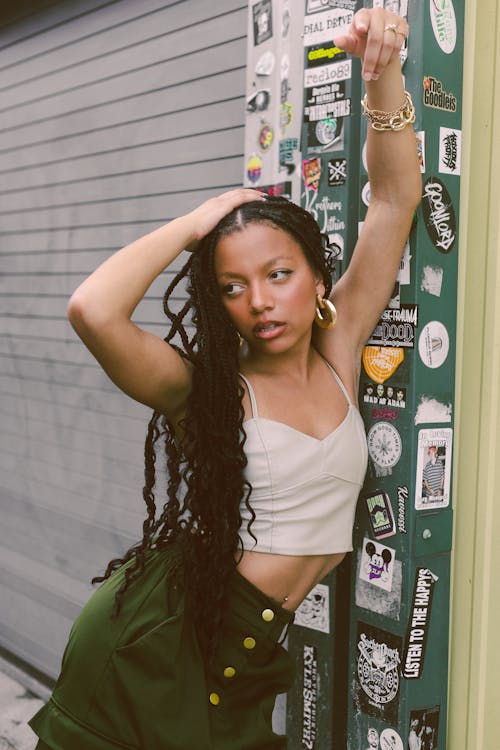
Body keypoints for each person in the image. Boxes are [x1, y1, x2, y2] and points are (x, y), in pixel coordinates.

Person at [29, 8, 420, 750]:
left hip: (246, 652)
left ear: (316, 277)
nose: (261, 301)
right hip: (160, 644)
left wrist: (383, 71)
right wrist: (196, 222)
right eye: (233, 287)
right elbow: (94, 311)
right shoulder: (207, 391)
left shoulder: (340, 353)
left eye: (278, 274)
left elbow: (395, 199)